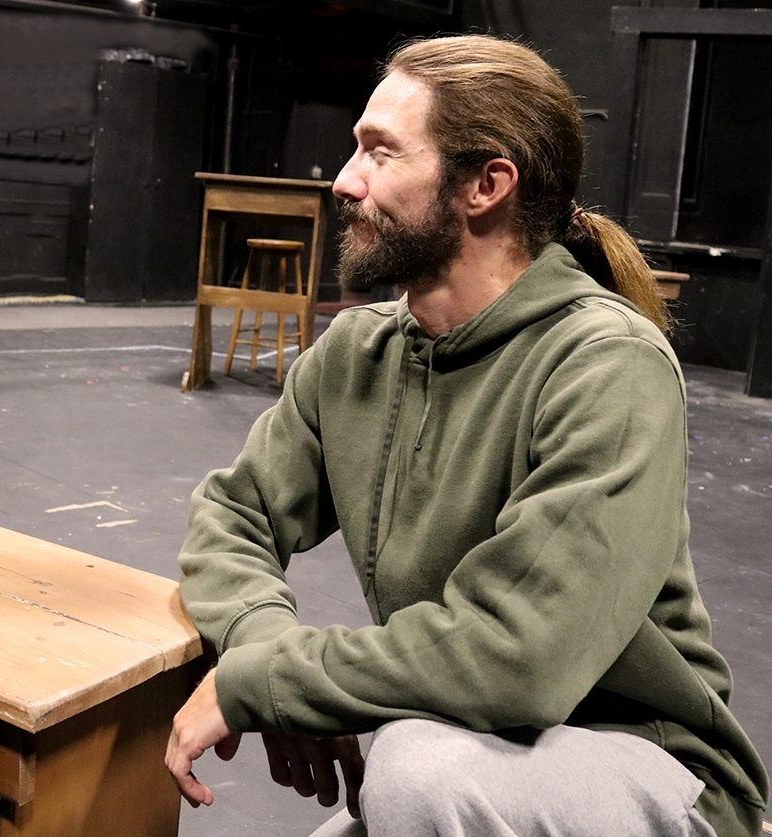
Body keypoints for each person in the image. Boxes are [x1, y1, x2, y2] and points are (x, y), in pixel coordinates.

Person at [165, 33, 769, 837]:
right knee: (413, 774)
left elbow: (516, 652)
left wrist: (268, 680)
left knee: (415, 773)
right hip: (477, 745)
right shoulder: (358, 350)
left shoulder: (607, 367)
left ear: (485, 185)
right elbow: (233, 517)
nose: (345, 181)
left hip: (649, 767)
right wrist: (264, 652)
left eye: (381, 153)